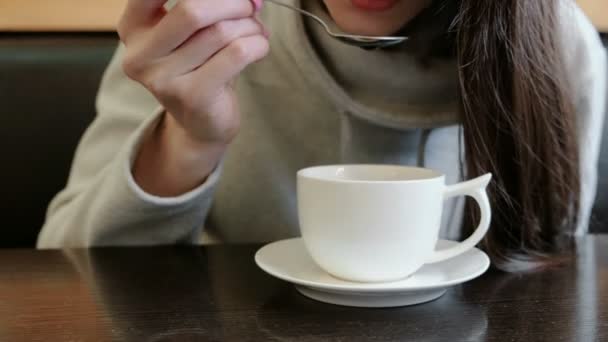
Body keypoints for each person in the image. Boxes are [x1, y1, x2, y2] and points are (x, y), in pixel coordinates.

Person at [38, 0, 606, 271]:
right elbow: (62, 277)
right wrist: (189, 140)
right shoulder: (199, 30)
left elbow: (547, 287)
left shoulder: (557, 49)